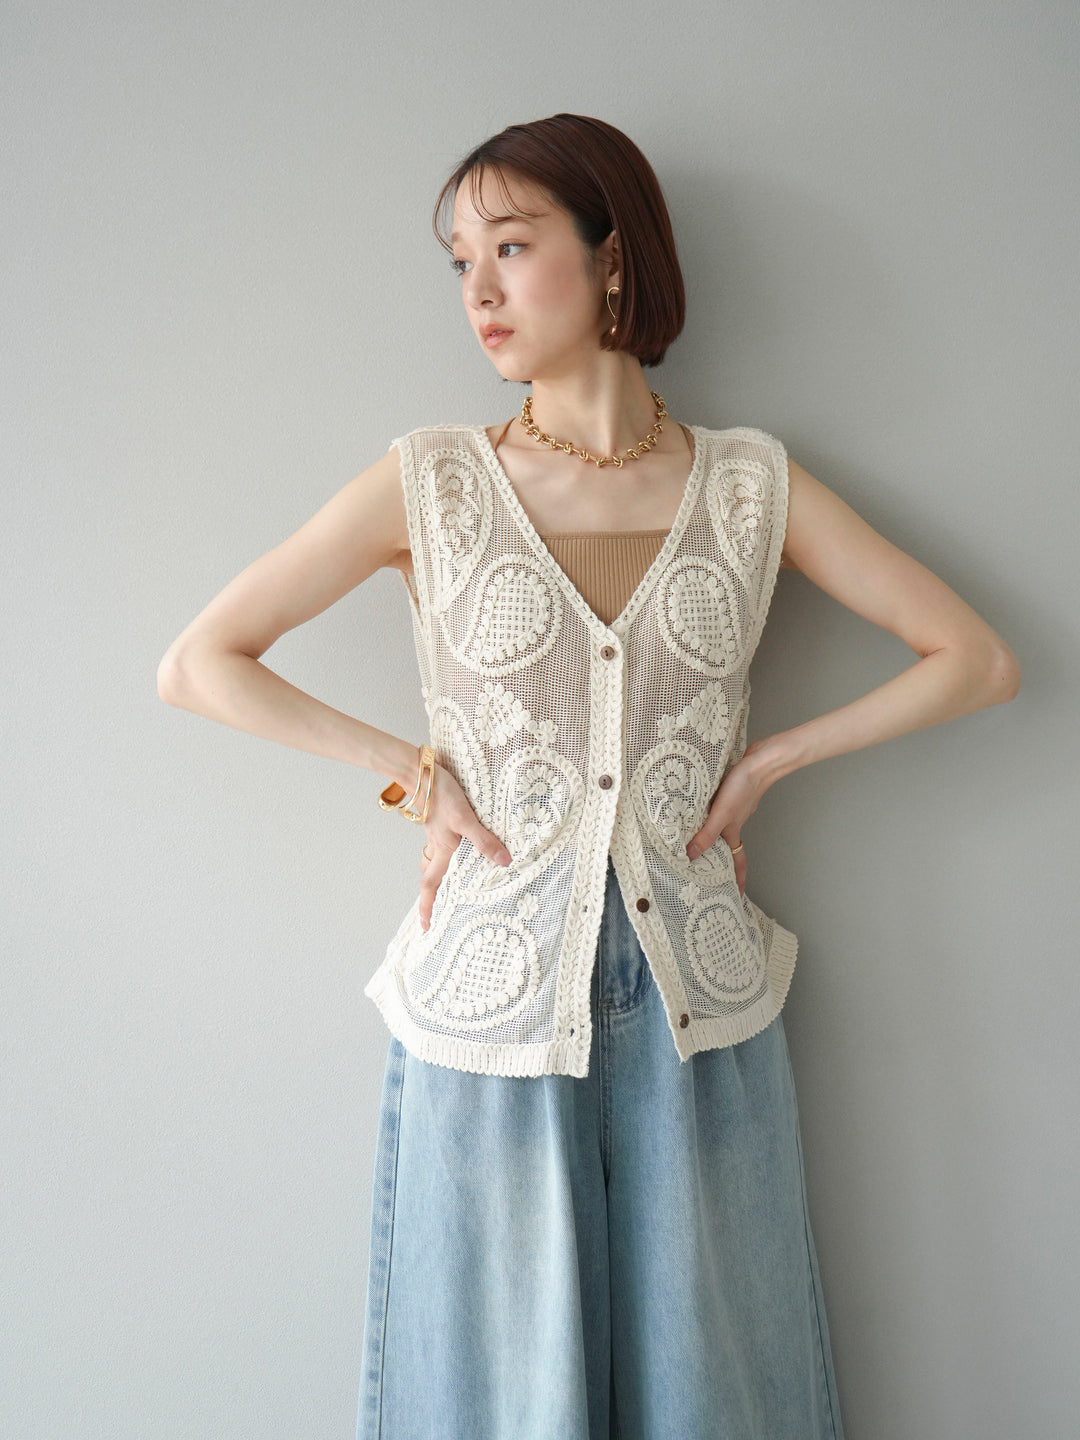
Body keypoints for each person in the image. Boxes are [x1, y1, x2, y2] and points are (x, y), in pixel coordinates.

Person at [158, 113, 1020, 1440]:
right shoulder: (434, 483)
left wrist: (774, 759)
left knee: (717, 1396)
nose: (480, 292)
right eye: (460, 263)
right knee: (503, 1402)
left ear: (614, 257)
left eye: (512, 247)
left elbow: (975, 659)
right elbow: (201, 663)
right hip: (490, 1013)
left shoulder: (749, 488)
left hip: (701, 1009)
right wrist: (412, 774)